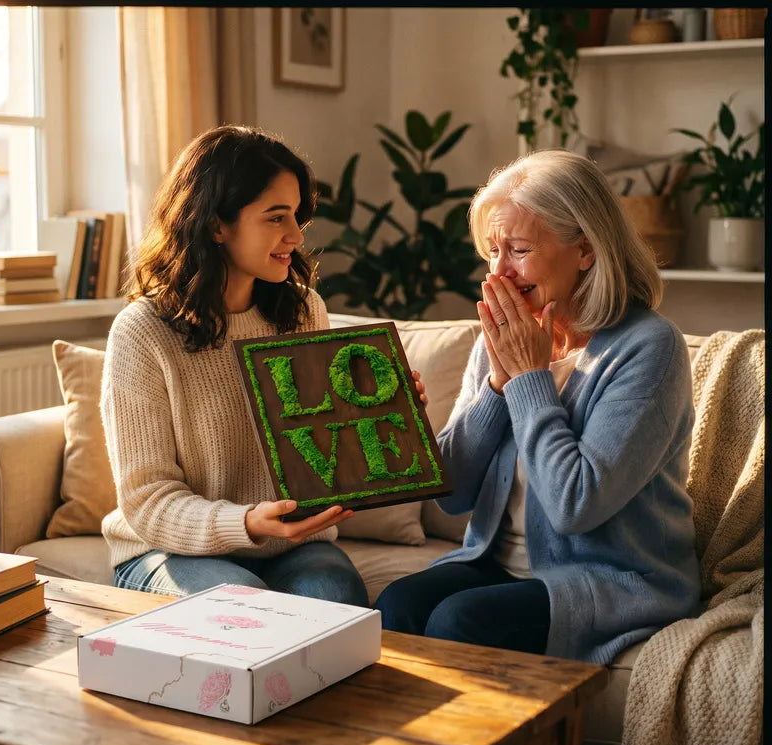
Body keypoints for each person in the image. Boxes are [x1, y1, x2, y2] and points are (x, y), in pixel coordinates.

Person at [374, 148, 701, 665]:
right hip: (495, 562)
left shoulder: (649, 348)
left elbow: (575, 506)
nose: (499, 272)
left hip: (611, 579)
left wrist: (529, 379)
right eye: (493, 251)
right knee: (396, 605)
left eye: (520, 249)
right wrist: (496, 390)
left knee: (458, 622)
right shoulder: (499, 337)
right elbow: (451, 496)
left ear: (586, 250)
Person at [100, 124, 369, 606]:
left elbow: (323, 451)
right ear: (216, 225)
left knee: (334, 593)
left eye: (296, 217)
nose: (294, 235)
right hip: (166, 550)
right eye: (275, 217)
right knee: (242, 605)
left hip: (291, 545)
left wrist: (381, 412)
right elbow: (146, 499)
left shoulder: (305, 310)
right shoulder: (142, 331)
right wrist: (243, 523)